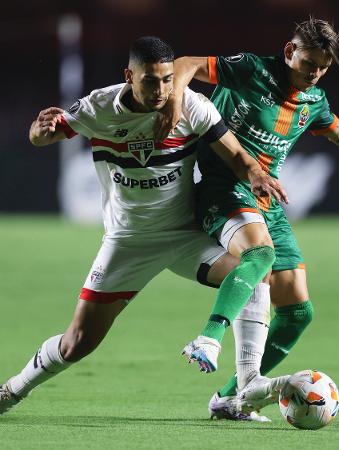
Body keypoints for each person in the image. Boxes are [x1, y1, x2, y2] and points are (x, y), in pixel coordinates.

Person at [157, 17, 339, 420]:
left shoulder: (314, 101)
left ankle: (229, 398)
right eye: (309, 63)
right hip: (220, 187)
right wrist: (173, 103)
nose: (314, 73)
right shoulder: (252, 69)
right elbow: (186, 63)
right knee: (259, 256)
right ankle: (210, 337)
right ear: (290, 51)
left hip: (266, 200)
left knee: (297, 313)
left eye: (322, 67)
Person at [0, 36, 289, 416]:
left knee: (253, 274)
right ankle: (11, 392)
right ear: (129, 76)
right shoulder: (99, 107)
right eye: (151, 81)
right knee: (77, 344)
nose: (161, 90)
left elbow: (236, 154)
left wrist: (254, 174)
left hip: (185, 235)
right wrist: (40, 130)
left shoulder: (191, 107)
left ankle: (246, 385)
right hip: (128, 242)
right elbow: (44, 136)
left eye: (167, 79)